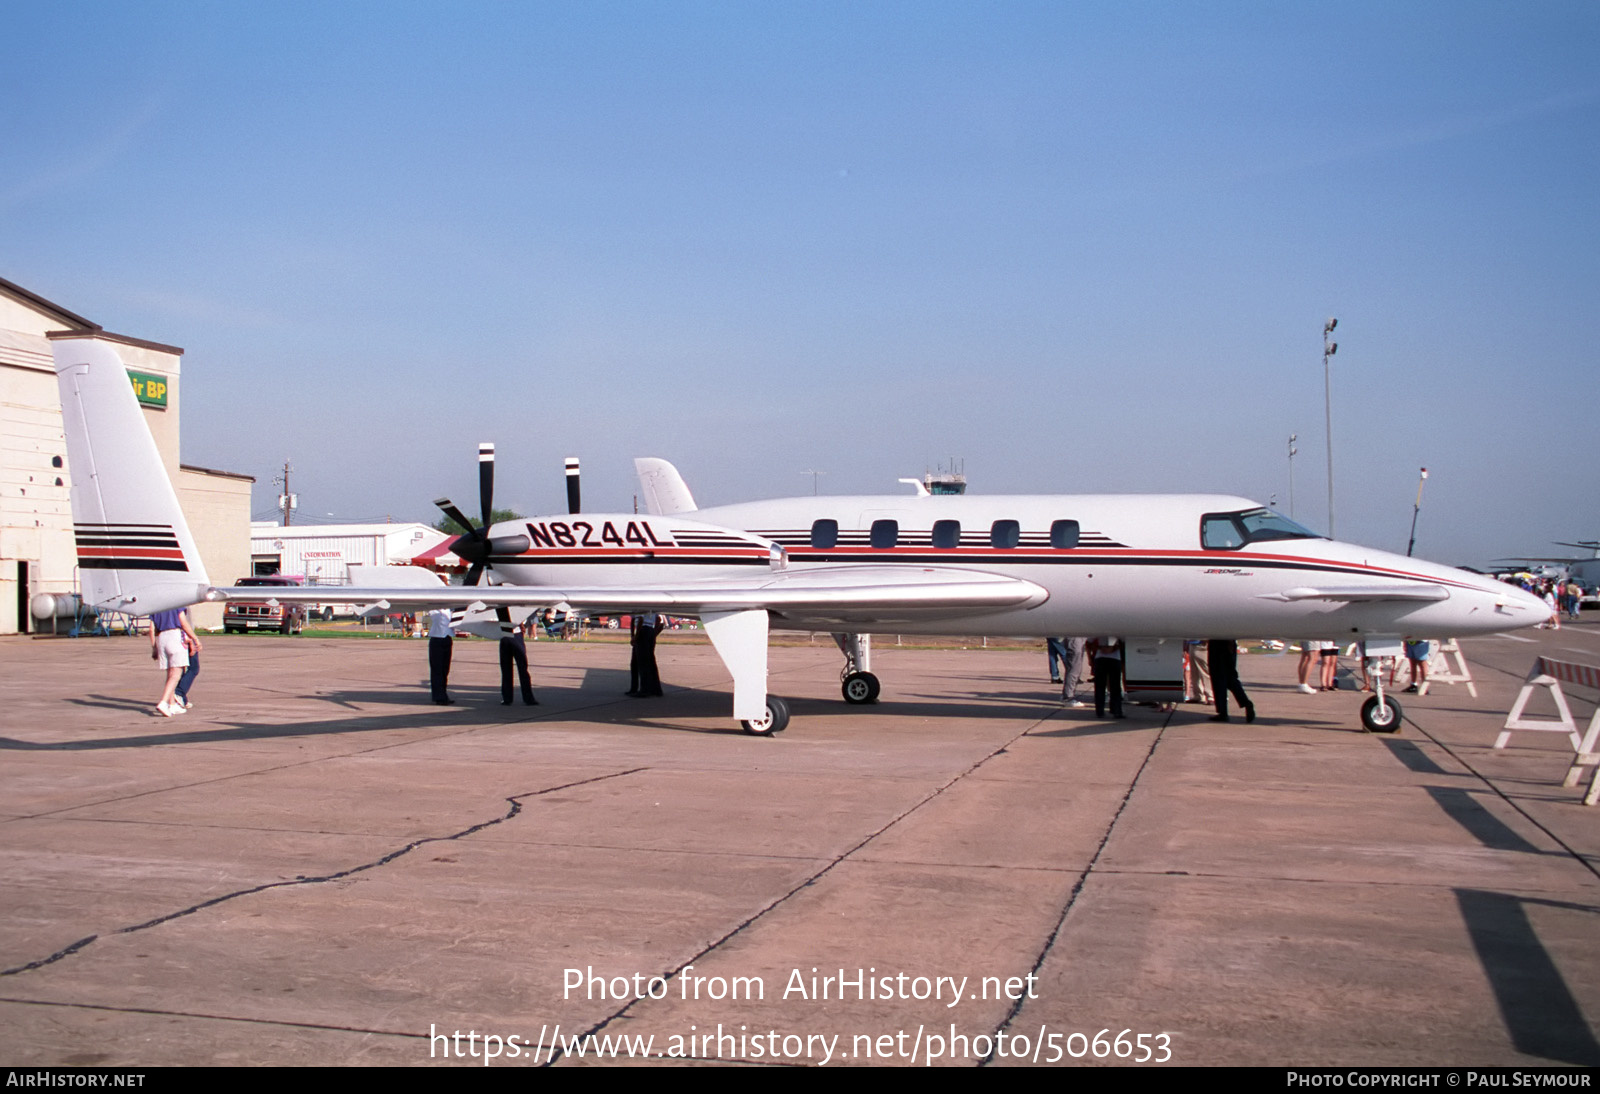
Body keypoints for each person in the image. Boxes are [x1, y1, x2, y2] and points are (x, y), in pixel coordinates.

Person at [147, 606, 200, 717]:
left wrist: (154, 647)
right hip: (175, 636)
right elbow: (184, 623)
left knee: (170, 674)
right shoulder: (177, 604)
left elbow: (151, 629)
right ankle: (164, 702)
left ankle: (172, 704)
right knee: (176, 674)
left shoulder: (155, 607)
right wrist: (195, 639)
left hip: (162, 638)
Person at [1207, 638, 1255, 723]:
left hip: (1217, 644)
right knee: (1231, 678)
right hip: (1229, 644)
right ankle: (1245, 702)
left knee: (1218, 680)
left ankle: (1223, 712)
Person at [499, 619, 538, 706]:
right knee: (521, 667)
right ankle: (527, 698)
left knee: (508, 668)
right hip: (513, 634)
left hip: (505, 633)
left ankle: (507, 697)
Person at [628, 611, 666, 697]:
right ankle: (656, 689)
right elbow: (658, 619)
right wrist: (654, 633)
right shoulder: (652, 607)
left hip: (642, 631)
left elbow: (639, 619)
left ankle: (644, 690)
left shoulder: (639, 606)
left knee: (641, 663)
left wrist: (635, 636)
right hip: (649, 631)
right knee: (650, 661)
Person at [1088, 636, 1125, 719]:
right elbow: (1124, 641)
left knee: (1100, 686)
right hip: (1114, 659)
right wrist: (1115, 648)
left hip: (1101, 658)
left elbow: (1088, 642)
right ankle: (1116, 710)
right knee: (1115, 686)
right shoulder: (1118, 631)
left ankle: (1100, 711)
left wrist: (1098, 649)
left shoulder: (1099, 630)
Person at [428, 607, 454, 704]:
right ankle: (439, 697)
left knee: (445, 669)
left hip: (447, 638)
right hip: (436, 638)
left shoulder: (450, 610)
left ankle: (444, 694)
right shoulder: (433, 610)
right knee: (437, 669)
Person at [174, 620, 201, 711]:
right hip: (184, 638)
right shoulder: (181, 608)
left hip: (170, 638)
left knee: (178, 668)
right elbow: (183, 624)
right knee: (194, 668)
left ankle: (182, 700)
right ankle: (179, 693)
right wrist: (193, 640)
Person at [1059, 637, 1088, 707]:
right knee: (1074, 669)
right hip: (1075, 638)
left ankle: (1068, 695)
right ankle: (1068, 697)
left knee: (1076, 669)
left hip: (1078, 637)